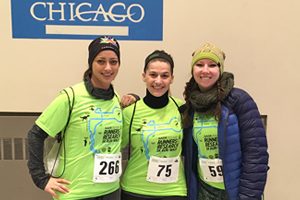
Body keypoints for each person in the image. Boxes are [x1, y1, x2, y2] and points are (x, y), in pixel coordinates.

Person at [27, 36, 136, 200]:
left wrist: (135, 98)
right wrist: (41, 179)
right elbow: (35, 135)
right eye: (101, 61)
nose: (108, 68)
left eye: (113, 62)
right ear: (91, 63)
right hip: (76, 193)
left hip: (111, 191)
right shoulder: (70, 97)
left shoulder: (116, 99)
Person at [180, 43, 269, 200]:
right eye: (199, 65)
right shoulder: (190, 105)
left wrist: (248, 196)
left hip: (233, 193)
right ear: (193, 69)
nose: (205, 70)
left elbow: (256, 155)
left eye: (212, 65)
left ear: (220, 69)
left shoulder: (240, 100)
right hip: (202, 191)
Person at [121, 50, 187, 200]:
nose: (158, 81)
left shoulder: (182, 108)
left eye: (164, 76)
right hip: (135, 190)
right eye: (153, 75)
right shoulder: (129, 113)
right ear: (143, 76)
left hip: (174, 191)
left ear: (172, 78)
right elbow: (113, 149)